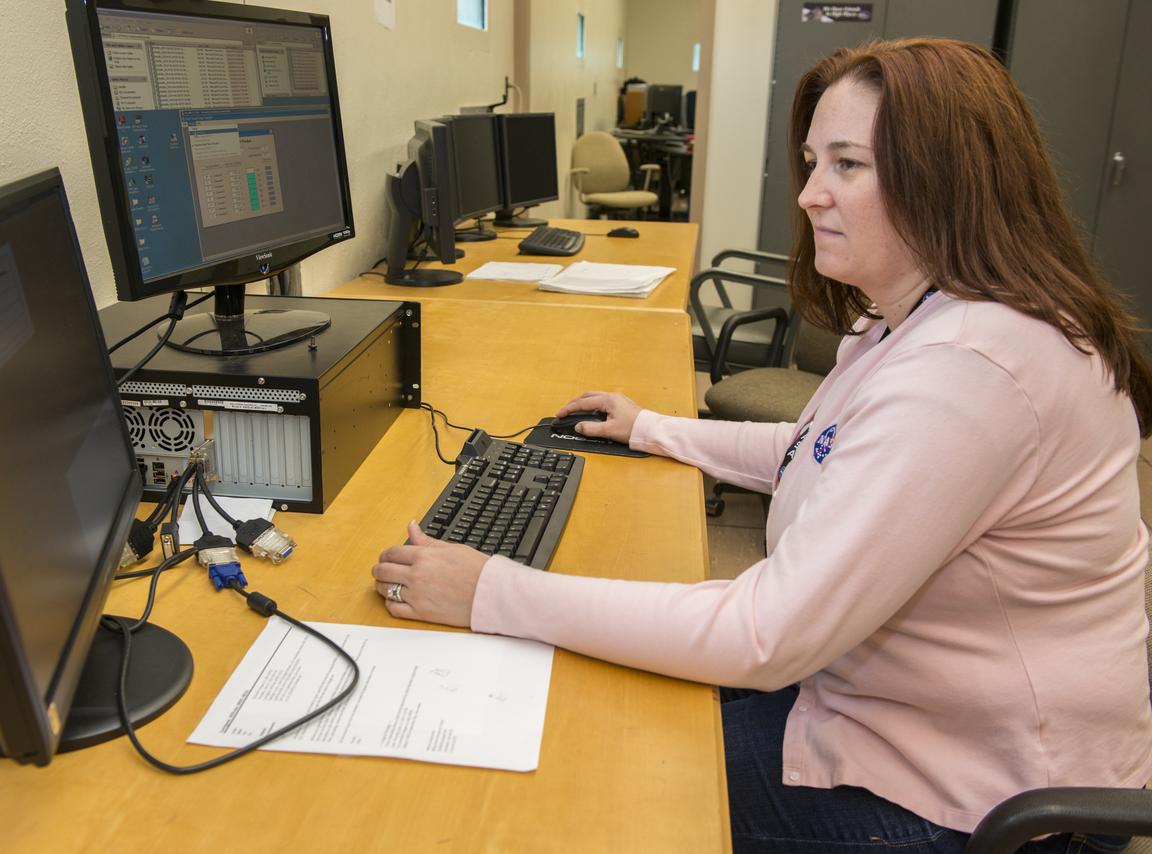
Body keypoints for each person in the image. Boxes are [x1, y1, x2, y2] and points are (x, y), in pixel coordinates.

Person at [371, 38, 1152, 854]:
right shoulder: (921, 318)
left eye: (848, 164)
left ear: (948, 177)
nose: (811, 194)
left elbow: (764, 635)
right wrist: (652, 428)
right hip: (894, 704)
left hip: (981, 791)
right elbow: (824, 448)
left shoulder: (972, 370)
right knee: (602, 692)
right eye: (814, 162)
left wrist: (492, 587)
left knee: (600, 784)